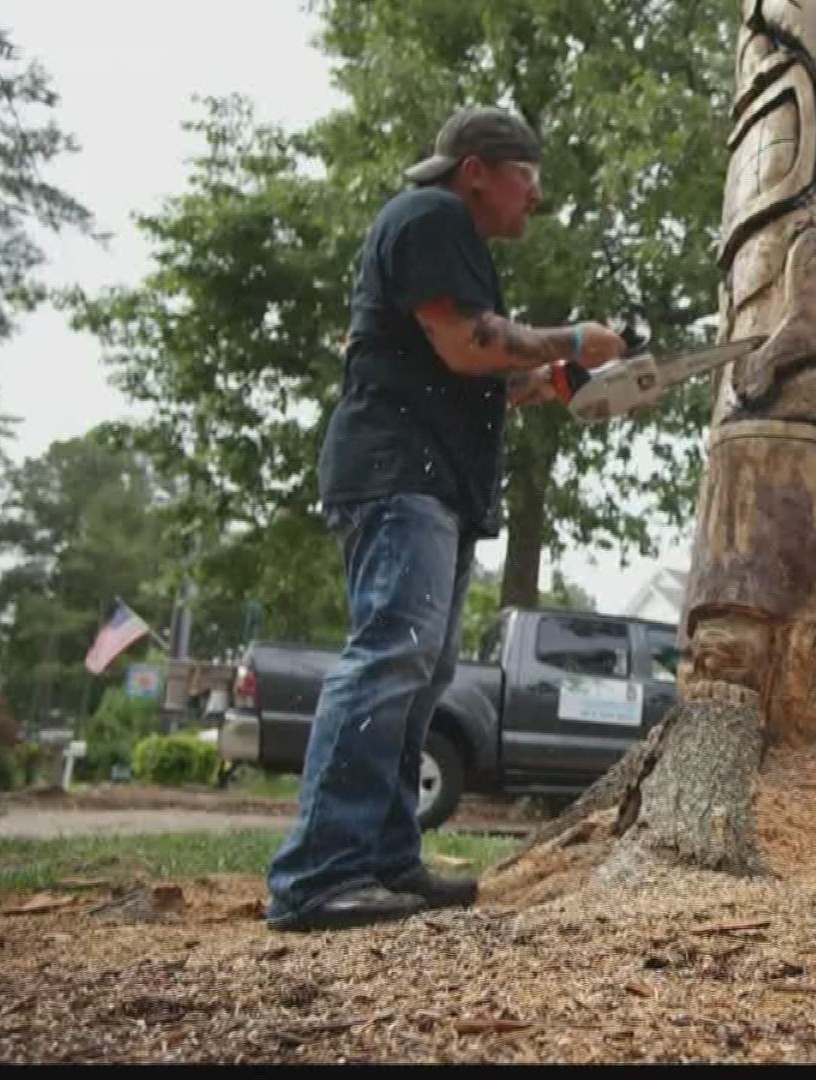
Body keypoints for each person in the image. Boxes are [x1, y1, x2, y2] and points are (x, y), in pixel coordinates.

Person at [265, 106, 626, 932]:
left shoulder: (452, 241)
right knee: (391, 656)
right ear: (478, 170)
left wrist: (573, 382)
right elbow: (472, 345)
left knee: (421, 673)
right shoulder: (430, 216)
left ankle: (386, 858)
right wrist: (574, 335)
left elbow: (478, 372)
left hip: (437, 483)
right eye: (528, 180)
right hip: (399, 475)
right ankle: (317, 875)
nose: (535, 201)